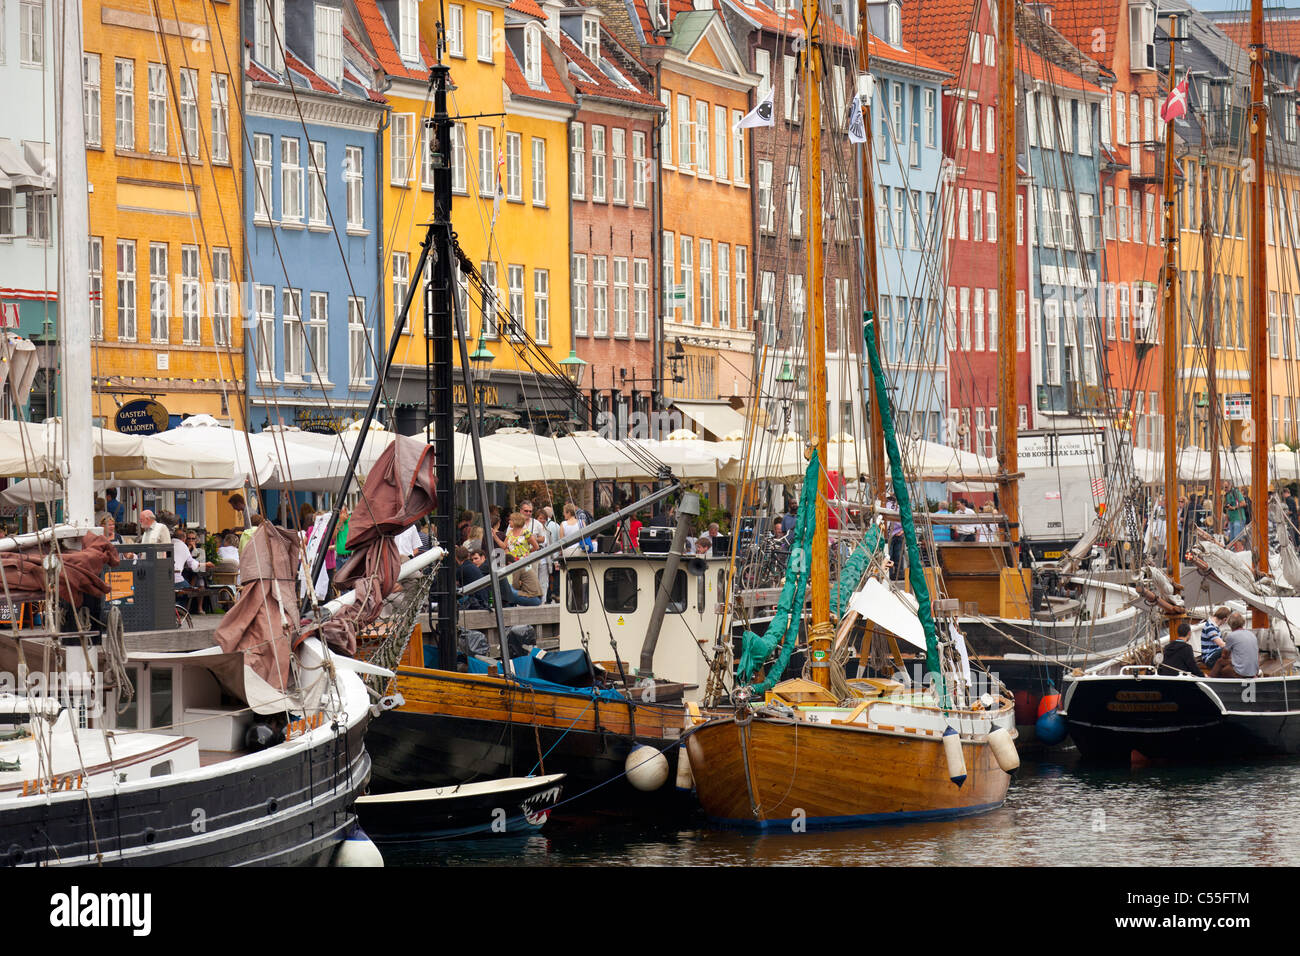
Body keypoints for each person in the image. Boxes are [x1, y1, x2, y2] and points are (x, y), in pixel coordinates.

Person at [1210, 611, 1259, 679]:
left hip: (1241, 673)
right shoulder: (1251, 634)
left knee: (1220, 663)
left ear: (1230, 624)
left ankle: (1210, 680)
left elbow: (1224, 655)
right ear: (1243, 622)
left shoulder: (1232, 636)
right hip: (1254, 671)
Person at [1224, 484, 1247, 548]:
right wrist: (1226, 519)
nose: (1225, 489)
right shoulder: (1227, 495)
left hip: (1238, 518)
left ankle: (1239, 554)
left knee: (1237, 538)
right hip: (1231, 519)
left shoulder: (1236, 492)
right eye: (1223, 487)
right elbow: (1227, 507)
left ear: (1230, 485)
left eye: (1226, 487)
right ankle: (1234, 554)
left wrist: (1234, 507)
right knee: (1232, 539)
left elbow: (1243, 503)